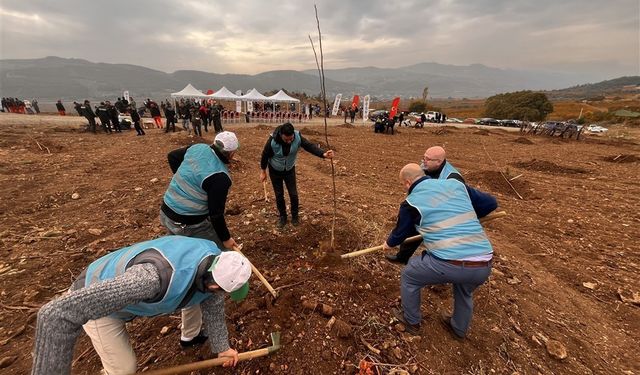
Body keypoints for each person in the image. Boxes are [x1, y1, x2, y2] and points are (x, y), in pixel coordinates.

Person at [31, 235, 251, 375]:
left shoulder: (212, 262)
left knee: (201, 299)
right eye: (224, 291)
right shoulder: (150, 279)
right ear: (214, 285)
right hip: (98, 299)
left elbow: (213, 306)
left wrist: (223, 348)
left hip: (130, 293)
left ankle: (190, 336)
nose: (222, 296)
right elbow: (55, 315)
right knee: (124, 369)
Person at [382, 163, 497, 338]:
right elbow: (490, 202)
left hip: (452, 264)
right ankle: (459, 328)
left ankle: (411, 320)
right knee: (464, 289)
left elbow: (400, 233)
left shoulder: (411, 202)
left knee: (409, 275)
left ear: (407, 183)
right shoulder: (455, 185)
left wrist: (388, 244)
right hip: (484, 263)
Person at [160, 131, 240, 251]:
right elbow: (216, 214)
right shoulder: (220, 176)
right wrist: (226, 239)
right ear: (232, 153)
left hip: (166, 211)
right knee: (219, 251)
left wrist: (185, 179)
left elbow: (172, 156)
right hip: (186, 223)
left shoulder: (197, 148)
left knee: (179, 248)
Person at [260, 122, 334, 228]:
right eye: (287, 139)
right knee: (279, 195)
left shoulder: (297, 137)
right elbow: (265, 155)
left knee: (293, 194)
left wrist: (323, 154)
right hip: (275, 170)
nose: (290, 141)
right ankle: (283, 217)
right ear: (281, 135)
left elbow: (309, 146)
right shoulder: (272, 141)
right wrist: (263, 171)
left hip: (289, 169)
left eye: (291, 139)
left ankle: (295, 216)